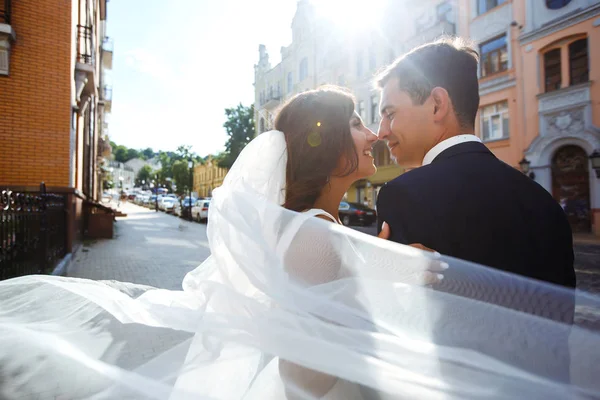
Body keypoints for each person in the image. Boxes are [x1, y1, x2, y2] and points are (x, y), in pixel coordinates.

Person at [0, 87, 597, 400]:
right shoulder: (316, 239)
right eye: (362, 122)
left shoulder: (316, 231)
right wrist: (391, 286)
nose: (375, 134)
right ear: (337, 148)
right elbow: (309, 373)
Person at [375, 37, 576, 290]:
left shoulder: (404, 195)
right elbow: (559, 316)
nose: (381, 132)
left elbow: (400, 316)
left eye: (390, 114)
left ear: (437, 105)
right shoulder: (545, 202)